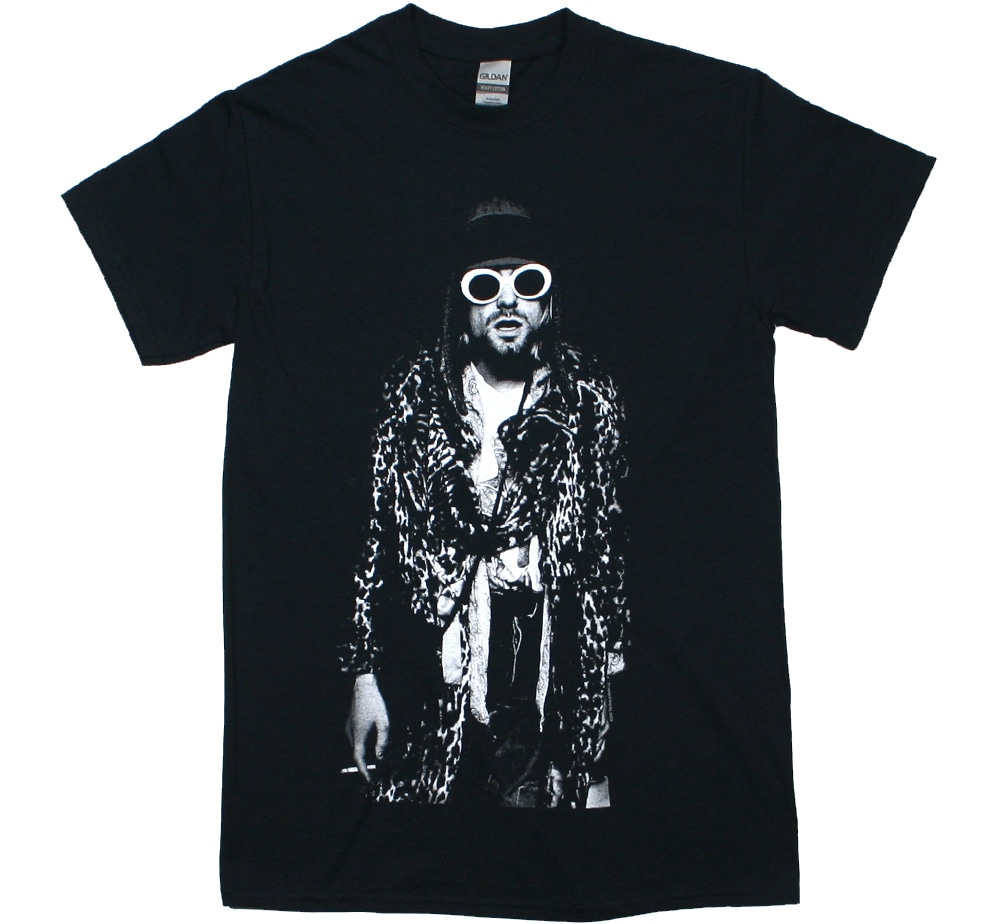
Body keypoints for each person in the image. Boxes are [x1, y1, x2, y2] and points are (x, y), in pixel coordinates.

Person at [341, 201, 629, 809]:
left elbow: (606, 546)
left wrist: (602, 679)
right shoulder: (413, 397)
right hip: (435, 675)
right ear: (462, 306)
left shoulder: (588, 399)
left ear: (547, 304)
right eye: (485, 286)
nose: (508, 301)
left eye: (528, 283)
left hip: (550, 669)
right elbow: (375, 541)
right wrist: (364, 679)